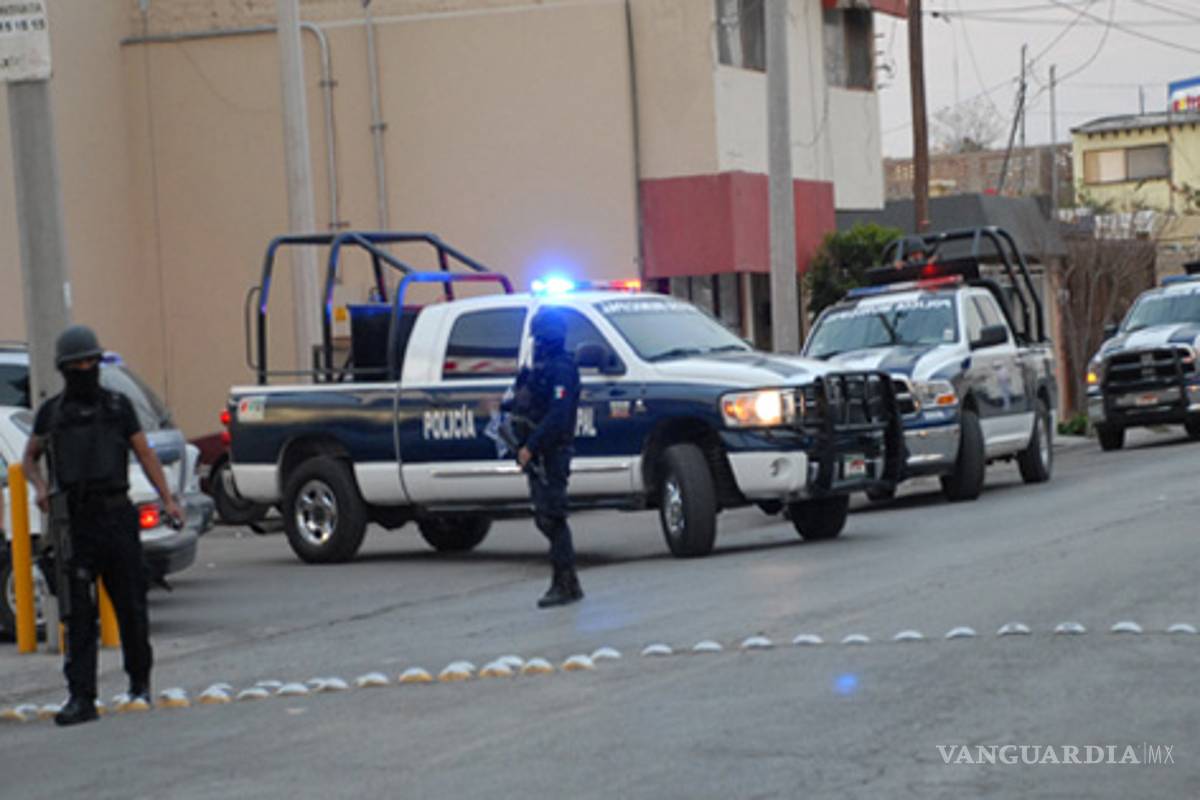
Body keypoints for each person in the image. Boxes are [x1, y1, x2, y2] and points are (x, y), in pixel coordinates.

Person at [22, 325, 183, 727]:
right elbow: (29, 458)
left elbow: (145, 454)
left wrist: (167, 499)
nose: (85, 369)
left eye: (90, 362)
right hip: (75, 522)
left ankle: (139, 684)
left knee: (131, 606)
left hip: (116, 516)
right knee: (77, 615)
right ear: (64, 368)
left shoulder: (117, 407)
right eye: (77, 364)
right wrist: (40, 488)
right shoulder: (52, 412)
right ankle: (81, 697)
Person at [511, 307, 583, 608]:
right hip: (538, 450)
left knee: (553, 516)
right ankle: (567, 581)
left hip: (552, 451)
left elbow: (558, 415)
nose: (537, 343)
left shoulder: (561, 369)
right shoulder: (539, 369)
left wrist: (531, 446)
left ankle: (564, 582)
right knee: (544, 516)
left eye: (540, 337)